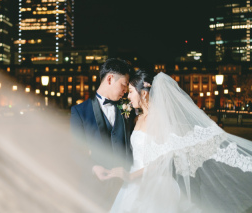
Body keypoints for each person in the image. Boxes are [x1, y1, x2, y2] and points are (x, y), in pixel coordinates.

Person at [106, 70, 252, 213]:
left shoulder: (159, 120)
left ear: (143, 93)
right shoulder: (138, 118)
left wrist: (131, 176)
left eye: (131, 91)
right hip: (134, 179)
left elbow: (160, 161)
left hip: (153, 183)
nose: (128, 96)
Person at [70, 58, 135, 209]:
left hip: (125, 188)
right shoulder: (79, 111)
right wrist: (93, 168)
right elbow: (75, 151)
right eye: (124, 85)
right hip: (94, 189)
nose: (125, 90)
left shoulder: (129, 109)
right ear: (110, 79)